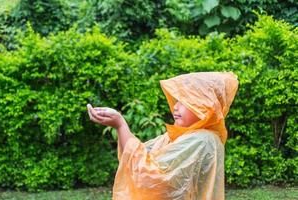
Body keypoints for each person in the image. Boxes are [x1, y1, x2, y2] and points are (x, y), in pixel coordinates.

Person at [87, 72, 239, 200]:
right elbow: (135, 159)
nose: (176, 106)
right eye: (177, 100)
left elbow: (151, 178)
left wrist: (120, 124)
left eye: (185, 101)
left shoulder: (203, 139)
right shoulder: (178, 137)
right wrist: (119, 125)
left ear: (206, 107)